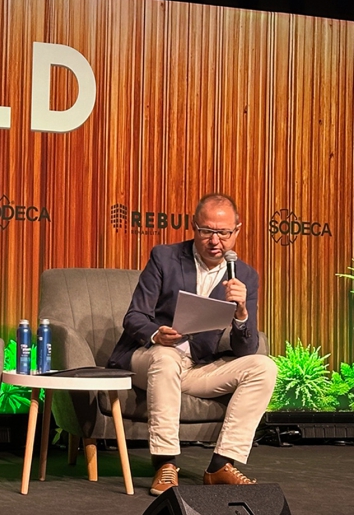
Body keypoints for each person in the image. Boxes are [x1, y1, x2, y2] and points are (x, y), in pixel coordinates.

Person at [107, 193, 277, 496]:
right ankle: (165, 463)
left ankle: (220, 465)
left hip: (195, 367)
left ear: (237, 231)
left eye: (223, 233)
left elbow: (245, 349)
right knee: (166, 358)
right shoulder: (165, 257)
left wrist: (241, 313)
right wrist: (157, 334)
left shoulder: (246, 276)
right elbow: (134, 317)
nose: (215, 240)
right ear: (193, 227)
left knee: (263, 366)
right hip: (149, 357)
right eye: (206, 231)